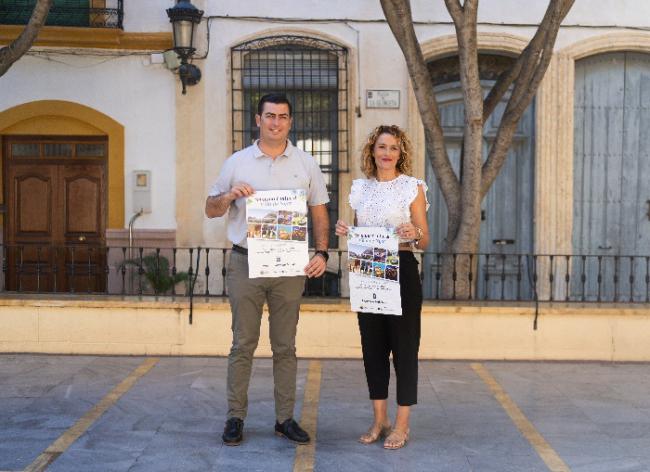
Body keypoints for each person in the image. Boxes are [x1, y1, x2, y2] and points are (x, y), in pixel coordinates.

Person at [205, 93, 330, 446]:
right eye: (270, 116)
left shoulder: (305, 163)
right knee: (242, 343)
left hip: (289, 266)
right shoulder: (237, 163)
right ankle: (235, 417)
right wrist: (230, 196)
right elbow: (210, 208)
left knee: (285, 346)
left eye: (283, 117)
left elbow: (319, 210)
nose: (276, 122)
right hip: (245, 262)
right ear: (257, 120)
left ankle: (284, 418)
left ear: (290, 122)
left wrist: (322, 252)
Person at [335, 125, 429, 450]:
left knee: (404, 349)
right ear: (372, 151)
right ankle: (380, 419)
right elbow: (359, 233)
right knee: (372, 348)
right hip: (368, 269)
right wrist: (345, 229)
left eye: (394, 148)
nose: (387, 153)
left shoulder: (412, 187)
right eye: (382, 147)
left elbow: (425, 239)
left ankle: (402, 424)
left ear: (401, 153)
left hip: (401, 267)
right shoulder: (360, 189)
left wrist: (413, 231)